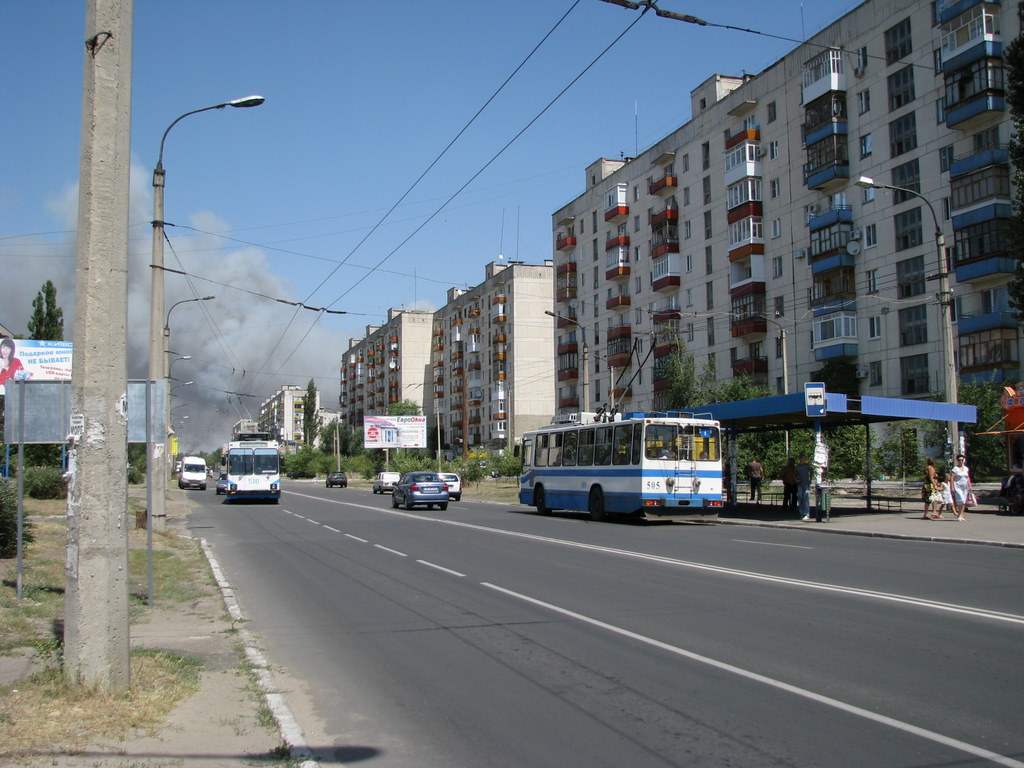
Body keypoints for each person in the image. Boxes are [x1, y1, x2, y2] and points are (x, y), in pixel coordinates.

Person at [950, 453, 972, 522]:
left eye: (962, 460)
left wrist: (970, 485)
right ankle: (959, 515)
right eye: (959, 460)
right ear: (957, 460)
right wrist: (952, 487)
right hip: (958, 486)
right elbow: (952, 478)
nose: (961, 461)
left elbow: (967, 477)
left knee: (963, 502)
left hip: (965, 487)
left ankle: (961, 515)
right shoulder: (955, 469)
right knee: (961, 500)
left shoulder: (966, 468)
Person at [795, 454, 812, 521]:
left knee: (806, 499)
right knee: (800, 499)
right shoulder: (797, 467)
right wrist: (796, 479)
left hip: (806, 484)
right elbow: (794, 475)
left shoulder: (807, 466)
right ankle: (802, 513)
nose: (804, 460)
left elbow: (811, 472)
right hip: (800, 484)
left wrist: (810, 480)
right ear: (800, 459)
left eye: (805, 458)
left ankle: (806, 514)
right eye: (803, 458)